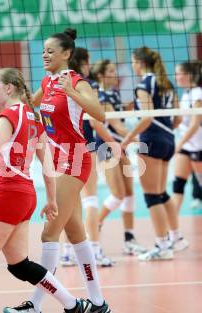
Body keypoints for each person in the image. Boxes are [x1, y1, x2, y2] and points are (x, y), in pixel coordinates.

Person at [0, 67, 92, 313]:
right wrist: (51, 199)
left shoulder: (9, 116)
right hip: (26, 195)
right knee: (19, 265)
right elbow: (47, 164)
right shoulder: (33, 118)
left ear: (9, 88)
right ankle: (74, 305)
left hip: (7, 192)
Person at [5, 28, 111, 313]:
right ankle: (98, 303)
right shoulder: (46, 81)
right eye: (43, 51)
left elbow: (100, 115)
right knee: (76, 234)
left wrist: (72, 93)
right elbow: (31, 103)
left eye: (51, 51)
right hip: (58, 158)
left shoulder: (76, 82)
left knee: (49, 234)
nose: (45, 55)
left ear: (67, 54)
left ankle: (36, 306)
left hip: (76, 158)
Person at [121, 46, 183, 261]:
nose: (132, 64)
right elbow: (179, 118)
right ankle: (176, 238)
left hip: (152, 140)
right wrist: (166, 132)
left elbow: (146, 118)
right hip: (168, 140)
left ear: (139, 62)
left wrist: (128, 138)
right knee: (160, 192)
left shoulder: (144, 84)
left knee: (151, 196)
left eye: (133, 61)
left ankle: (162, 245)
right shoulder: (166, 83)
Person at [60, 47, 114, 267]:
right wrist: (113, 143)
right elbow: (95, 119)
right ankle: (95, 250)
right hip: (85, 145)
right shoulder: (82, 85)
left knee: (69, 201)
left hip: (63, 147)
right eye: (88, 61)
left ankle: (66, 251)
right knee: (90, 199)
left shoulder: (55, 84)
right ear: (82, 63)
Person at [90, 59, 147, 256]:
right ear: (101, 75)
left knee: (130, 192)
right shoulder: (103, 97)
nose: (115, 74)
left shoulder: (114, 94)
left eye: (115, 70)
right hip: (106, 148)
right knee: (118, 194)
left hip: (119, 147)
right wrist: (139, 138)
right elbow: (117, 126)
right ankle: (95, 223)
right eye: (111, 71)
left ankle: (129, 239)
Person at [172, 60, 202, 246]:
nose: (177, 77)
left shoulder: (198, 93)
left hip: (199, 145)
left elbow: (196, 123)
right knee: (178, 184)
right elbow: (183, 122)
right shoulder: (185, 94)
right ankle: (171, 231)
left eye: (179, 73)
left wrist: (179, 142)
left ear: (189, 75)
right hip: (187, 145)